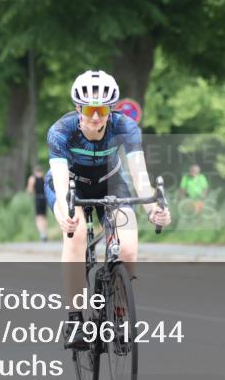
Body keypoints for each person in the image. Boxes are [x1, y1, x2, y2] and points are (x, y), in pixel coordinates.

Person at [44, 70, 170, 349]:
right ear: (78, 108)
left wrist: (153, 209)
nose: (96, 117)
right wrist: (65, 214)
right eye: (90, 109)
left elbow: (139, 177)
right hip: (71, 184)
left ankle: (120, 315)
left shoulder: (125, 126)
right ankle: (75, 321)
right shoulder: (60, 131)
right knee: (75, 236)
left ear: (111, 109)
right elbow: (62, 183)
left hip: (110, 182)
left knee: (127, 248)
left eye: (102, 110)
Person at [26, 165, 49, 242]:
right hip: (44, 198)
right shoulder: (44, 178)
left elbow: (30, 190)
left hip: (38, 198)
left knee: (38, 217)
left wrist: (32, 193)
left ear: (35, 172)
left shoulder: (32, 179)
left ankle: (42, 234)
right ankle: (45, 233)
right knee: (44, 217)